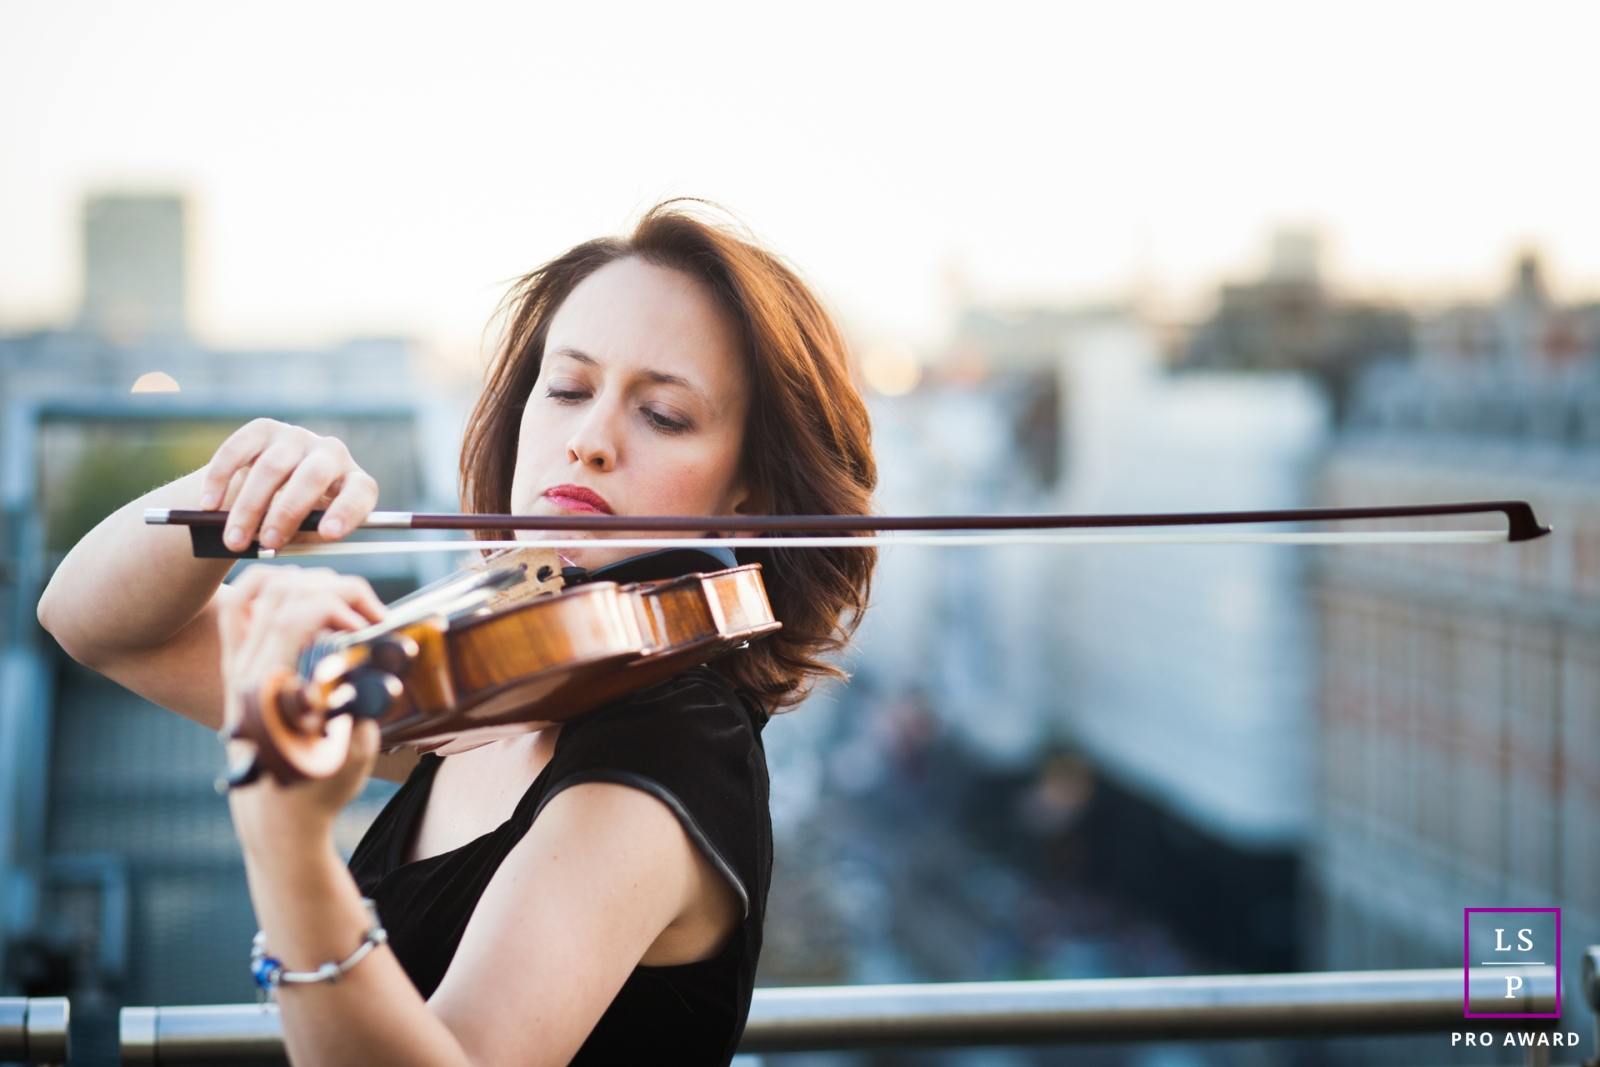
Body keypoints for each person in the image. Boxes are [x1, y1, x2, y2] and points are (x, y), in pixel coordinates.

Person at [37, 203, 877, 1067]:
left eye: (662, 413)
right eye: (568, 389)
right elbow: (95, 624)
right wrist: (232, 493)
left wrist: (287, 845)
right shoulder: (491, 679)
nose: (587, 440)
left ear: (750, 500)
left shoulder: (672, 748)